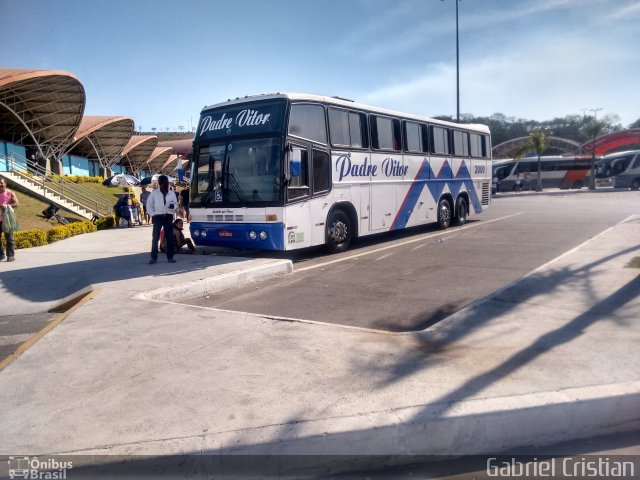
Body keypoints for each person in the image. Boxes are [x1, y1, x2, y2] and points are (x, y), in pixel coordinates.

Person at [146, 175, 178, 264]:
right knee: (155, 238)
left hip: (168, 216)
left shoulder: (171, 193)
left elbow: (175, 204)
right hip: (158, 217)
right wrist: (153, 214)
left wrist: (173, 206)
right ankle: (153, 257)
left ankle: (170, 257)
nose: (167, 185)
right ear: (160, 184)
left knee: (170, 238)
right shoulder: (154, 193)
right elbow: (149, 205)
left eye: (167, 183)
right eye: (165, 184)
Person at [0, 178, 20, 262]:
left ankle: (10, 255)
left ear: (5, 184)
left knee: (9, 239)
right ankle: (1, 255)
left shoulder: (10, 193)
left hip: (7, 219)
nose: (0, 184)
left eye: (1, 183)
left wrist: (7, 205)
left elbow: (17, 204)